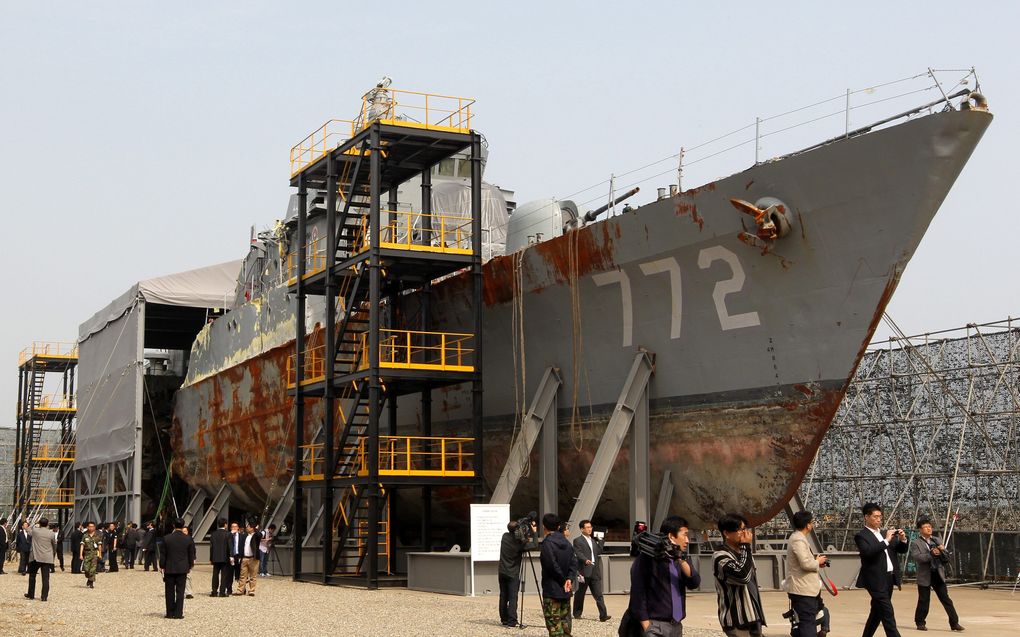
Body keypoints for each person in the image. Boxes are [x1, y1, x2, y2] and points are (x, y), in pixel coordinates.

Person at [628, 516, 700, 637]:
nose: (687, 540)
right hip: (655, 625)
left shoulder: (682, 558)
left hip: (676, 625)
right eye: (684, 535)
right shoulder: (648, 557)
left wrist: (680, 559)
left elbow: (694, 583)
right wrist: (647, 626)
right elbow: (637, 592)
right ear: (672, 536)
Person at [854, 503, 908, 637]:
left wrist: (903, 539)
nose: (879, 520)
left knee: (877, 612)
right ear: (866, 517)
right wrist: (886, 541)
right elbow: (867, 552)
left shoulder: (884, 533)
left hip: (889, 578)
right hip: (874, 579)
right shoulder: (862, 536)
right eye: (875, 517)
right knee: (887, 612)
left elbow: (901, 550)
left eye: (880, 517)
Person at [713, 513, 766, 637]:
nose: (745, 533)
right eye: (741, 530)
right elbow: (743, 577)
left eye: (745, 529)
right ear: (726, 533)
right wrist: (746, 546)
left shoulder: (743, 553)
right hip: (737, 620)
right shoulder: (720, 556)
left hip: (753, 617)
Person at [911, 517, 964, 632]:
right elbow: (918, 558)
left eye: (930, 526)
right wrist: (931, 554)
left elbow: (946, 558)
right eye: (926, 527)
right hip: (925, 574)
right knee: (924, 600)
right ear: (920, 529)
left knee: (946, 599)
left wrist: (943, 551)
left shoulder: (936, 540)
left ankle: (954, 623)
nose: (929, 529)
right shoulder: (916, 543)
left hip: (937, 573)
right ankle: (920, 622)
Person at [785, 511, 828, 637]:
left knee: (807, 621)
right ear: (807, 525)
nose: (812, 525)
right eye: (811, 522)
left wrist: (817, 563)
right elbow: (805, 564)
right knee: (808, 623)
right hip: (803, 590)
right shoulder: (798, 539)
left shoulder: (799, 538)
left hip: (805, 589)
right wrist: (817, 561)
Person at [539, 513, 577, 637]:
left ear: (544, 526)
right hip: (566, 589)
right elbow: (573, 563)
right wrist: (569, 580)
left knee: (554, 625)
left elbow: (551, 565)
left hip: (552, 588)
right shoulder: (567, 543)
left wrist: (562, 580)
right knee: (565, 624)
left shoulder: (547, 543)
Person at [498, 515, 535, 627]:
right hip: (513, 573)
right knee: (513, 597)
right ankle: (512, 621)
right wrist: (534, 532)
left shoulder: (504, 536)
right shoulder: (519, 543)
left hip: (502, 571)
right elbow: (534, 544)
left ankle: (504, 619)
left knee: (503, 596)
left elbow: (516, 536)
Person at [572, 519, 610, 622]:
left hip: (594, 570)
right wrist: (585, 560)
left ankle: (603, 615)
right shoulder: (577, 540)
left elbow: (599, 551)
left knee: (598, 594)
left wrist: (601, 541)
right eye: (587, 527)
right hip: (584, 571)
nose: (590, 529)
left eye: (590, 527)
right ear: (582, 529)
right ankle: (577, 613)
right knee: (580, 594)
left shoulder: (593, 540)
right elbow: (578, 553)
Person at [160, 517, 196, 619]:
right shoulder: (188, 539)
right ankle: (178, 613)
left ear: (173, 526)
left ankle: (170, 613)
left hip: (170, 567)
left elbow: (163, 555)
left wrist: (162, 566)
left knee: (169, 591)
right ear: (183, 525)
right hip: (182, 568)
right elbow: (191, 554)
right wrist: (190, 566)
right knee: (180, 592)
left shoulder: (167, 538)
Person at [24, 518, 58, 601]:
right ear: (48, 524)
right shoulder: (51, 533)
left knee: (32, 576)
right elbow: (54, 545)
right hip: (46, 557)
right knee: (45, 578)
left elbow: (27, 529)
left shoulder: (35, 531)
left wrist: (33, 523)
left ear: (39, 524)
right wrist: (53, 553)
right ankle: (44, 596)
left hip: (35, 557)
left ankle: (31, 594)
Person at [236, 521, 262, 596]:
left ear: (252, 528)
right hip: (244, 557)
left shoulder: (256, 535)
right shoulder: (245, 535)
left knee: (253, 575)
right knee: (242, 575)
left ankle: (251, 590)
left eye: (248, 527)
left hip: (253, 558)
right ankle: (240, 590)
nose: (246, 528)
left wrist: (256, 529)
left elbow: (259, 535)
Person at [210, 518, 232, 596]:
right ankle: (222, 592)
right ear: (225, 524)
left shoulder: (213, 534)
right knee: (224, 575)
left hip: (215, 557)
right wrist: (231, 556)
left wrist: (211, 558)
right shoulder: (228, 534)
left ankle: (214, 591)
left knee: (215, 575)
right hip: (225, 557)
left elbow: (211, 547)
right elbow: (230, 547)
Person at [80, 521, 102, 589]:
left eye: (92, 526)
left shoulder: (97, 536)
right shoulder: (85, 535)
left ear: (94, 527)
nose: (91, 528)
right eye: (89, 526)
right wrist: (81, 554)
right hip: (87, 554)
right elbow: (82, 545)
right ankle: (89, 578)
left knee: (93, 569)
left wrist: (100, 554)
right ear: (87, 527)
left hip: (94, 554)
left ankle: (91, 582)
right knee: (86, 569)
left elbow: (99, 546)